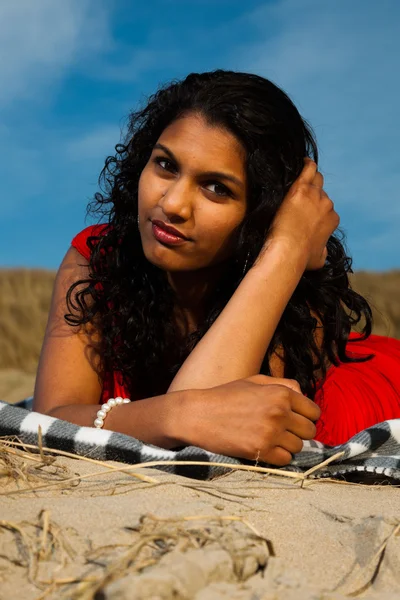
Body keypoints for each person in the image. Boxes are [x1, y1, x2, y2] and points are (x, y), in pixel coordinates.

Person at [33, 70, 400, 466]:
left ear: (260, 212)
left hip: (376, 389)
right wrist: (175, 415)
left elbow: (203, 447)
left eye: (217, 188)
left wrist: (285, 250)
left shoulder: (293, 296)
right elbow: (50, 420)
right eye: (165, 165)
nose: (173, 204)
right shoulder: (98, 256)